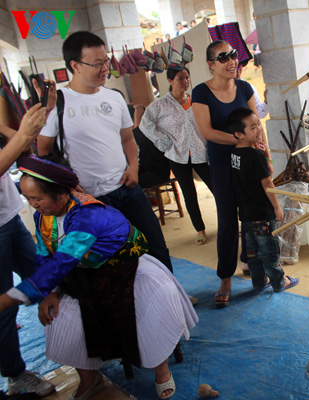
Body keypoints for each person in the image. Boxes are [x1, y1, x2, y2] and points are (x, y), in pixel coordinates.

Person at [0, 154, 198, 400]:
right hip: (85, 276)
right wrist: (50, 292)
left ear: (61, 193)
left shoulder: (88, 215)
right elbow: (43, 255)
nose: (33, 204)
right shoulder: (43, 216)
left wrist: (9, 299)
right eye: (28, 198)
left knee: (148, 310)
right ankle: (90, 379)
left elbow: (62, 262)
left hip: (127, 271)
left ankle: (161, 369)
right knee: (60, 320)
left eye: (37, 198)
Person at [36, 31, 173, 272]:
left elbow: (127, 139)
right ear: (75, 66)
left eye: (106, 61)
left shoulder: (114, 97)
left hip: (127, 188)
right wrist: (69, 187)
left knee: (155, 246)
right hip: (91, 199)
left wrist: (133, 167)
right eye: (97, 63)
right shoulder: (57, 102)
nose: (105, 69)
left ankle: (170, 290)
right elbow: (44, 151)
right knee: (112, 260)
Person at [192, 40, 271, 308]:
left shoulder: (245, 87)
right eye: (223, 57)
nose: (231, 61)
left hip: (249, 163)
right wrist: (241, 140)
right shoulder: (201, 92)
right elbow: (208, 132)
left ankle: (254, 264)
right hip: (223, 164)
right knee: (227, 221)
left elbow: (256, 125)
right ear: (211, 65)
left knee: (254, 216)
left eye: (233, 55)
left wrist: (266, 157)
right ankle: (225, 278)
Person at [0, 104, 56, 397]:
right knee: (4, 305)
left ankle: (78, 347)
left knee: (46, 280)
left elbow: (23, 147)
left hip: (9, 217)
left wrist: (23, 131)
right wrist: (23, 134)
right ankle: (14, 374)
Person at [227, 108, 299, 292]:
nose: (258, 129)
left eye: (258, 124)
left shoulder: (235, 153)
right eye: (252, 127)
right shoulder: (256, 155)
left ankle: (259, 283)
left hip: (246, 215)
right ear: (239, 134)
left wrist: (262, 151)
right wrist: (277, 207)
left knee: (253, 253)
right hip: (262, 214)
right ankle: (279, 282)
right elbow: (267, 182)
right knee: (270, 251)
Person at [141, 66, 213, 245]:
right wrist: (164, 142)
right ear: (170, 81)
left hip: (200, 151)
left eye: (187, 77)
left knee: (217, 187)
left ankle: (230, 222)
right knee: (189, 193)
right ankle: (200, 229)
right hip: (177, 155)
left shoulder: (196, 101)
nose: (185, 81)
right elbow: (145, 124)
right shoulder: (160, 105)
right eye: (180, 78)